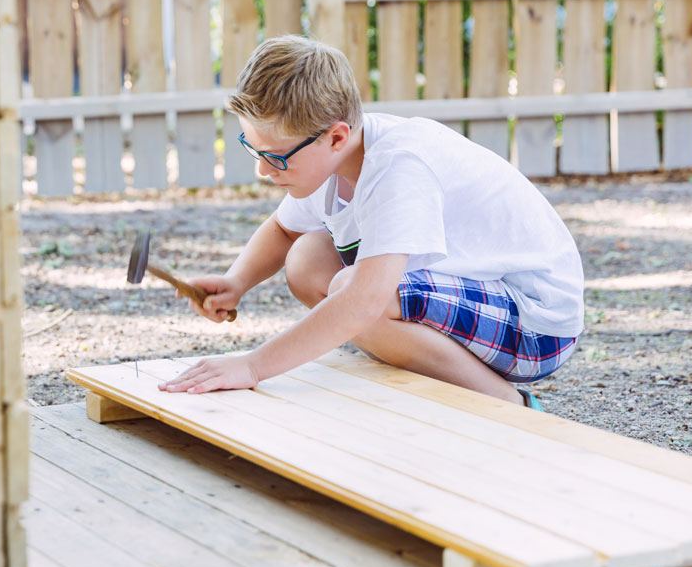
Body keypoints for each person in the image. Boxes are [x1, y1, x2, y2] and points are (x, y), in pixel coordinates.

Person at [158, 35, 584, 410]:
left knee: (355, 292)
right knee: (307, 258)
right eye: (254, 151)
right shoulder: (333, 159)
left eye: (275, 157)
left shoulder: (398, 167)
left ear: (336, 137)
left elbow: (364, 300)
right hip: (482, 300)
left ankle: (508, 404)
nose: (263, 171)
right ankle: (415, 364)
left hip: (536, 325)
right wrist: (237, 281)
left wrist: (253, 365)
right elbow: (285, 232)